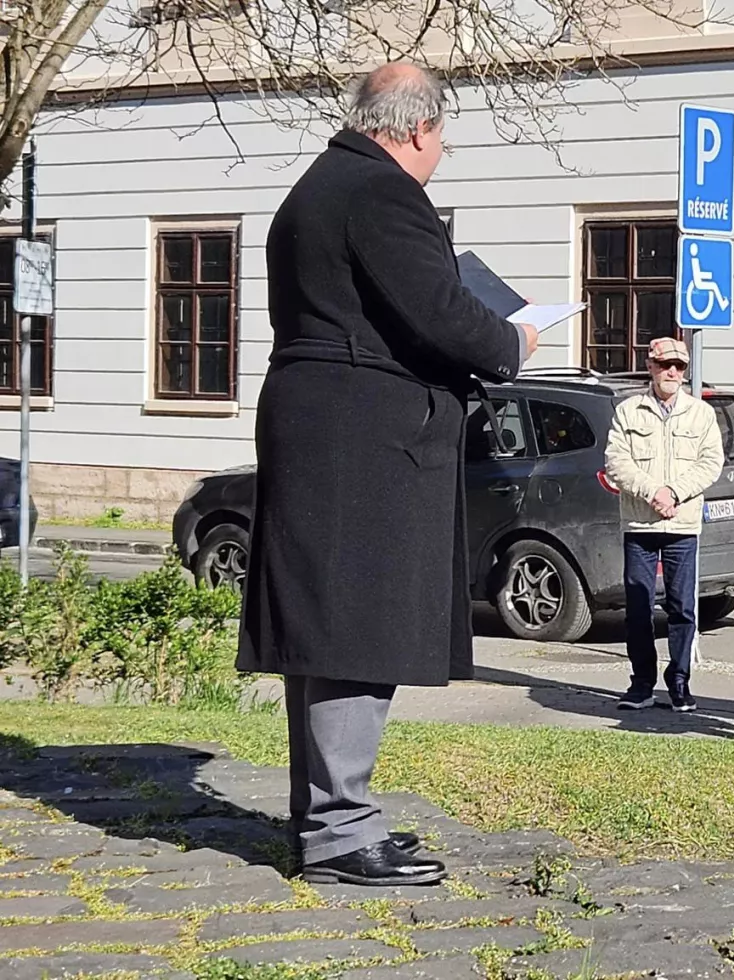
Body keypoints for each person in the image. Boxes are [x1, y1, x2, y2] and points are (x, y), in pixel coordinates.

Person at [239, 63, 536, 886]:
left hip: (330, 420)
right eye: (442, 136)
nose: (441, 151)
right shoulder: (382, 192)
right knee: (352, 628)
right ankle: (338, 831)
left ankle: (332, 818)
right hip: (363, 435)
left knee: (336, 624)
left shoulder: (319, 186)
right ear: (415, 129)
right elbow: (442, 314)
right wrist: (513, 342)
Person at [604, 337, 725, 713]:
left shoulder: (701, 413)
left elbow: (710, 463)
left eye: (679, 367)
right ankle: (641, 684)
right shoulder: (628, 411)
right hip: (640, 523)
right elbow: (616, 462)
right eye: (664, 365)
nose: (672, 372)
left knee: (682, 609)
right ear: (651, 366)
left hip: (682, 524)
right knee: (639, 608)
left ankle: (679, 682)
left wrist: (674, 492)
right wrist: (652, 492)